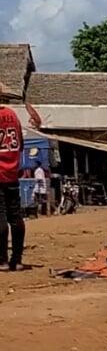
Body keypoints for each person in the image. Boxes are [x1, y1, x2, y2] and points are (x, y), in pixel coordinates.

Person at [0, 103, 32, 270]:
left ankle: (2, 260)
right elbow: (20, 144)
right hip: (12, 172)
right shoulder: (12, 115)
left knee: (1, 217)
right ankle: (17, 259)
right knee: (16, 217)